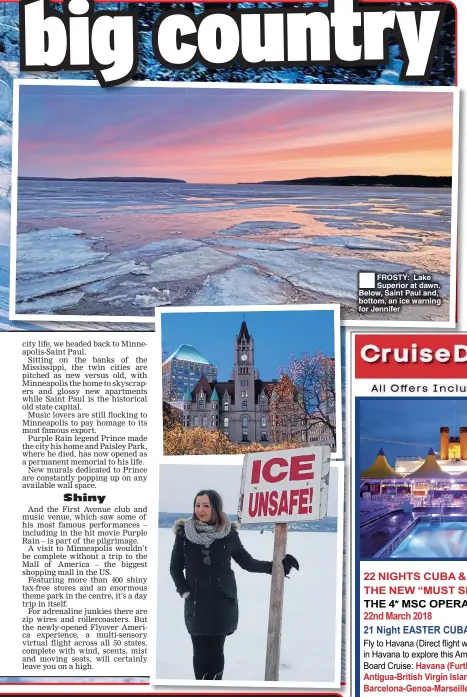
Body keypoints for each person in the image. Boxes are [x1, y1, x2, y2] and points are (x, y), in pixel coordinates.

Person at [169, 489, 299, 681]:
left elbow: (247, 562)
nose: (201, 510)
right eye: (197, 505)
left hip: (223, 602)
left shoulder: (228, 534)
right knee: (200, 653)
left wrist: (276, 567)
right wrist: (185, 592)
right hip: (196, 603)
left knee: (216, 652)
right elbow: (175, 568)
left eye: (206, 505)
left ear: (216, 507)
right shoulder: (184, 534)